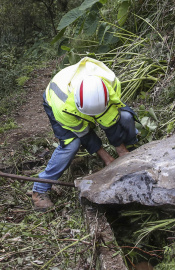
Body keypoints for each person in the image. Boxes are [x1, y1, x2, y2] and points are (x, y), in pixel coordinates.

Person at [32, 57, 139, 211]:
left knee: (125, 117)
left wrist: (122, 153)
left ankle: (131, 149)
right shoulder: (62, 106)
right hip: (54, 100)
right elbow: (84, 133)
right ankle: (40, 189)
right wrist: (107, 158)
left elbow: (110, 120)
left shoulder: (110, 83)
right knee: (71, 144)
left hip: (93, 101)